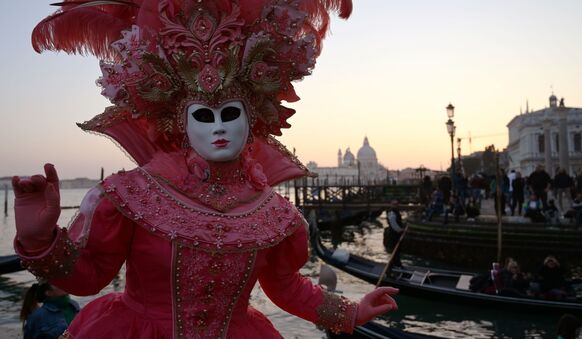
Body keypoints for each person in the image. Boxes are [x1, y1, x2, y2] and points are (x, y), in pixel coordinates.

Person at [13, 1, 398, 338]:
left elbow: (285, 287)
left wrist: (352, 312)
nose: (218, 126)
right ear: (181, 122)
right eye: (203, 115)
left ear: (253, 119)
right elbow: (89, 276)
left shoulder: (272, 214)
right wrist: (40, 240)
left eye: (230, 113)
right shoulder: (132, 195)